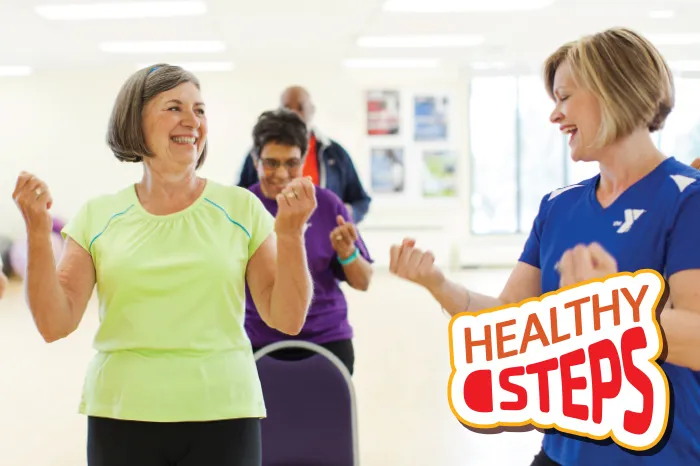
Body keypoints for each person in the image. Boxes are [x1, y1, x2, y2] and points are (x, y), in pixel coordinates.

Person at [389, 27, 700, 466]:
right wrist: (438, 284)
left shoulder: (688, 199)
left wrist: (610, 307)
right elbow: (509, 318)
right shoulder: (558, 207)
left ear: (615, 91)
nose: (555, 116)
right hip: (559, 453)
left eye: (565, 96)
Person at [11, 64, 316, 466]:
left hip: (224, 413)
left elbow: (287, 317)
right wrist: (36, 230)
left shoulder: (241, 208)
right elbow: (55, 323)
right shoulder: (98, 216)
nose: (192, 121)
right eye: (175, 107)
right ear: (136, 123)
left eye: (200, 110)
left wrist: (291, 235)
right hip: (122, 414)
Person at [244, 108, 373, 375]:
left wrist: (347, 253)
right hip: (257, 342)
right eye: (271, 162)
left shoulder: (326, 204)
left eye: (291, 163)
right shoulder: (242, 207)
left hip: (326, 340)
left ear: (304, 160)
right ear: (256, 159)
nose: (281, 174)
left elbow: (363, 281)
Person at [237, 86, 372, 224]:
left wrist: (345, 214)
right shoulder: (257, 153)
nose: (294, 113)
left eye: (300, 107)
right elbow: (240, 194)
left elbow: (360, 199)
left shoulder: (335, 154)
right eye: (271, 163)